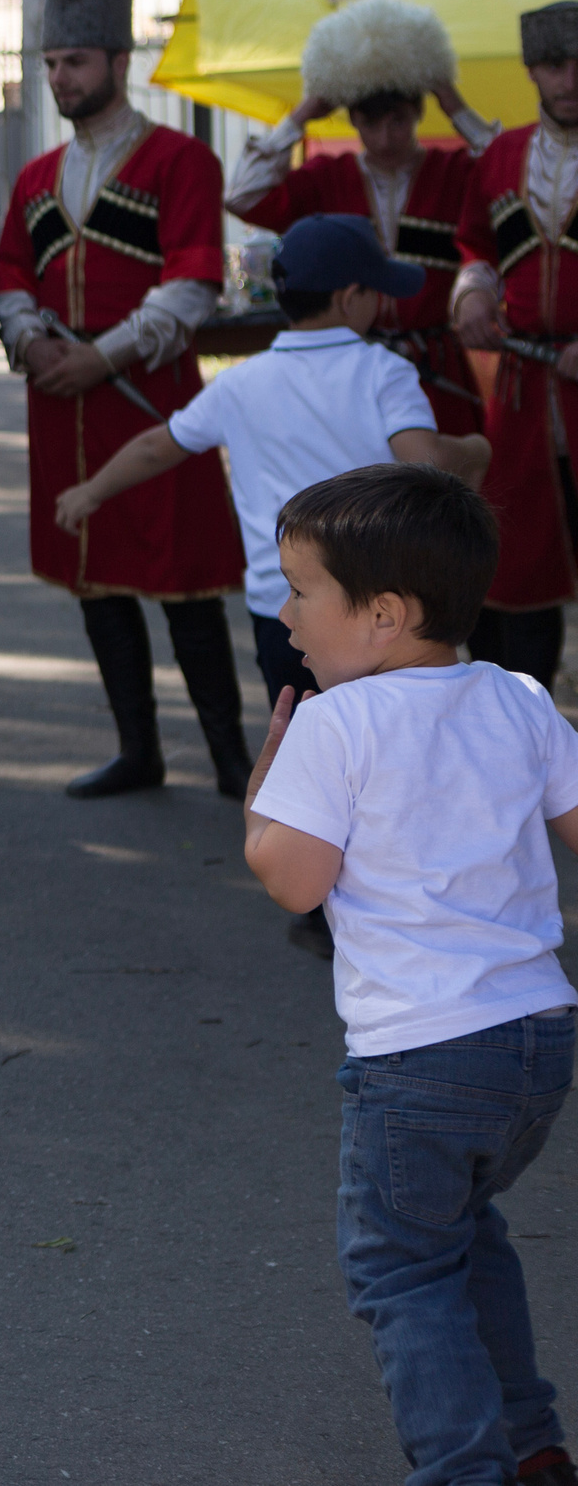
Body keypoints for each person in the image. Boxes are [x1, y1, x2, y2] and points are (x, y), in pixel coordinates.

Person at [243, 462, 578, 1486]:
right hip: (535, 1042)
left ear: (382, 614)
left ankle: (462, 1469)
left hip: (417, 1061)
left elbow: (294, 882)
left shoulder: (334, 725)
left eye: (301, 589)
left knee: (400, 1269)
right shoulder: (516, 696)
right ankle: (529, 1445)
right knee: (461, 1235)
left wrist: (264, 792)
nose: (287, 612)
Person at [58, 212, 491, 957]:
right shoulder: (382, 370)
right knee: (409, 750)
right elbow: (424, 459)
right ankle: (417, 893)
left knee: (313, 751)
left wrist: (89, 492)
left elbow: (161, 445)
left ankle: (323, 904)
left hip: (286, 612)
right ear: (352, 297)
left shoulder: (247, 380)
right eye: (377, 293)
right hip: (392, 613)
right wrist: (475, 448)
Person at [0, 0, 249, 800]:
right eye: (52, 65)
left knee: (185, 581)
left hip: (152, 400)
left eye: (75, 62)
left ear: (118, 63)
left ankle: (233, 761)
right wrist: (32, 341)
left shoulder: (181, 161)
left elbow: (194, 283)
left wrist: (100, 358)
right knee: (94, 574)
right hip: (61, 402)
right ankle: (138, 751)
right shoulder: (36, 178)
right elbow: (8, 280)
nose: (61, 78)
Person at [226, 0, 495, 436]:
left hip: (436, 369)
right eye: (371, 123)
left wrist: (454, 102)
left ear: (419, 112)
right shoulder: (324, 178)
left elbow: (507, 174)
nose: (386, 137)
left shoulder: (457, 173)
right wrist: (304, 111)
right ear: (351, 120)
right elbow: (242, 197)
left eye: (398, 121)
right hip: (346, 368)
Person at [453, 1, 578, 689]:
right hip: (526, 401)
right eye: (557, 65)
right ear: (533, 69)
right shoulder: (502, 156)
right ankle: (523, 754)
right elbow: (477, 245)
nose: (572, 79)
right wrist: (473, 293)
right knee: (517, 575)